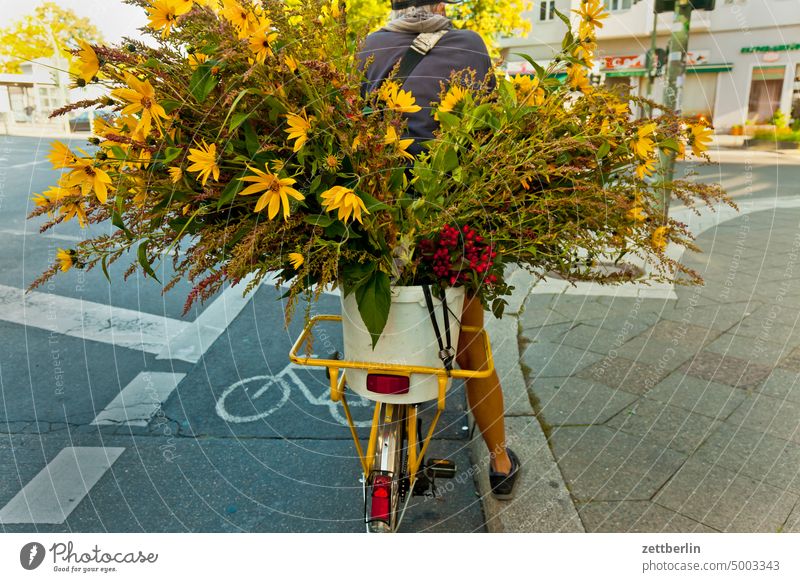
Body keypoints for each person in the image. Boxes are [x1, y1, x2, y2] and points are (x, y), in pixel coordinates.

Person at [358, 0, 520, 500]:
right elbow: (492, 130)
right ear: (442, 4)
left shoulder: (369, 47)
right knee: (471, 336)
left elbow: (353, 128)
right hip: (449, 213)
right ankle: (498, 459)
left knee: (371, 309)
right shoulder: (470, 45)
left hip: (376, 213)